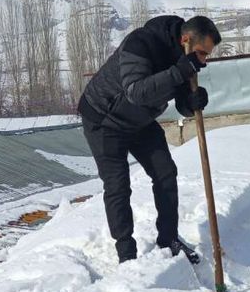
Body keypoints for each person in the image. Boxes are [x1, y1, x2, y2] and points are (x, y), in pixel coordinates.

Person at [77, 15, 221, 263]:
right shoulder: (142, 43)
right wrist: (179, 71)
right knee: (118, 186)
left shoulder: (185, 59)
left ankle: (169, 239)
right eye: (201, 53)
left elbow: (183, 102)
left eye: (206, 55)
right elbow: (137, 91)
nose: (203, 61)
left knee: (165, 173)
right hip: (104, 119)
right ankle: (127, 255)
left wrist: (194, 101)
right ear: (185, 39)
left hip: (139, 121)